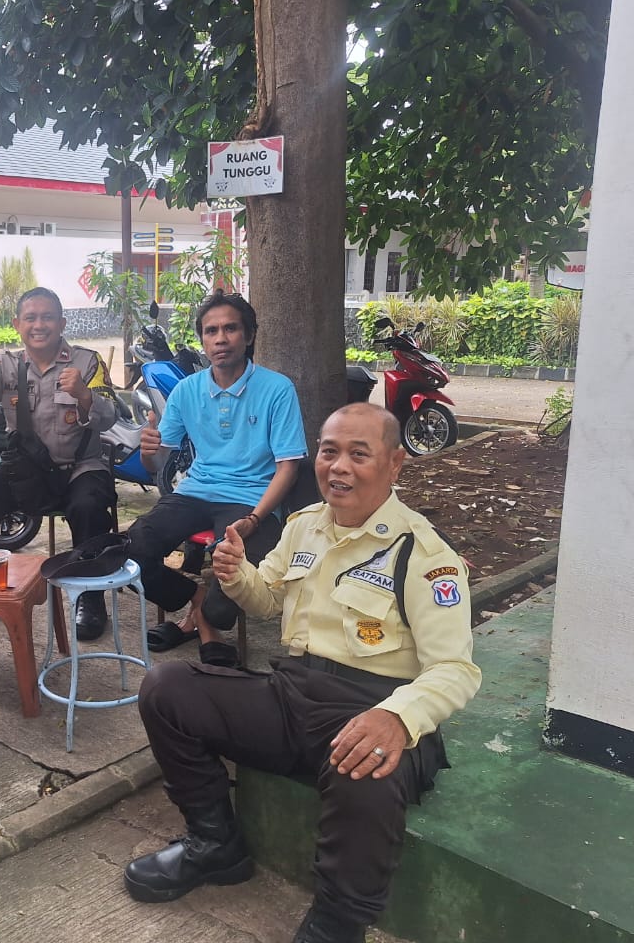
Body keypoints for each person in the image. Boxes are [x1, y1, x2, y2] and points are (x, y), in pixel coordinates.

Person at [124, 402, 482, 943]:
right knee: (167, 687)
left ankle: (338, 922)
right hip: (293, 694)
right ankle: (214, 843)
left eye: (358, 454)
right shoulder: (304, 527)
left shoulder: (424, 553)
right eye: (329, 451)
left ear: (394, 464)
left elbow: (455, 668)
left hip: (372, 706)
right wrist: (237, 574)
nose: (338, 467)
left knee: (366, 763)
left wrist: (396, 718)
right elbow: (267, 600)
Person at [128, 288, 307, 666]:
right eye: (211, 331)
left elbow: (288, 467)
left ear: (249, 335)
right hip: (196, 490)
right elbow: (155, 465)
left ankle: (202, 620)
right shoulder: (186, 390)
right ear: (202, 339)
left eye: (230, 328)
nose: (220, 338)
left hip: (251, 499)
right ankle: (198, 606)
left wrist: (255, 518)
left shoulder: (277, 389)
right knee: (130, 550)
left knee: (233, 593)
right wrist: (148, 451)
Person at [0, 287, 119, 639]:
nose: (39, 325)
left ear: (62, 323)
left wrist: (84, 394)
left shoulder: (87, 362)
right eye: (30, 318)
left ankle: (90, 600)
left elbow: (111, 416)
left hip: (79, 470)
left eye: (47, 317)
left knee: (89, 507)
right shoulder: (6, 364)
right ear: (17, 324)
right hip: (27, 473)